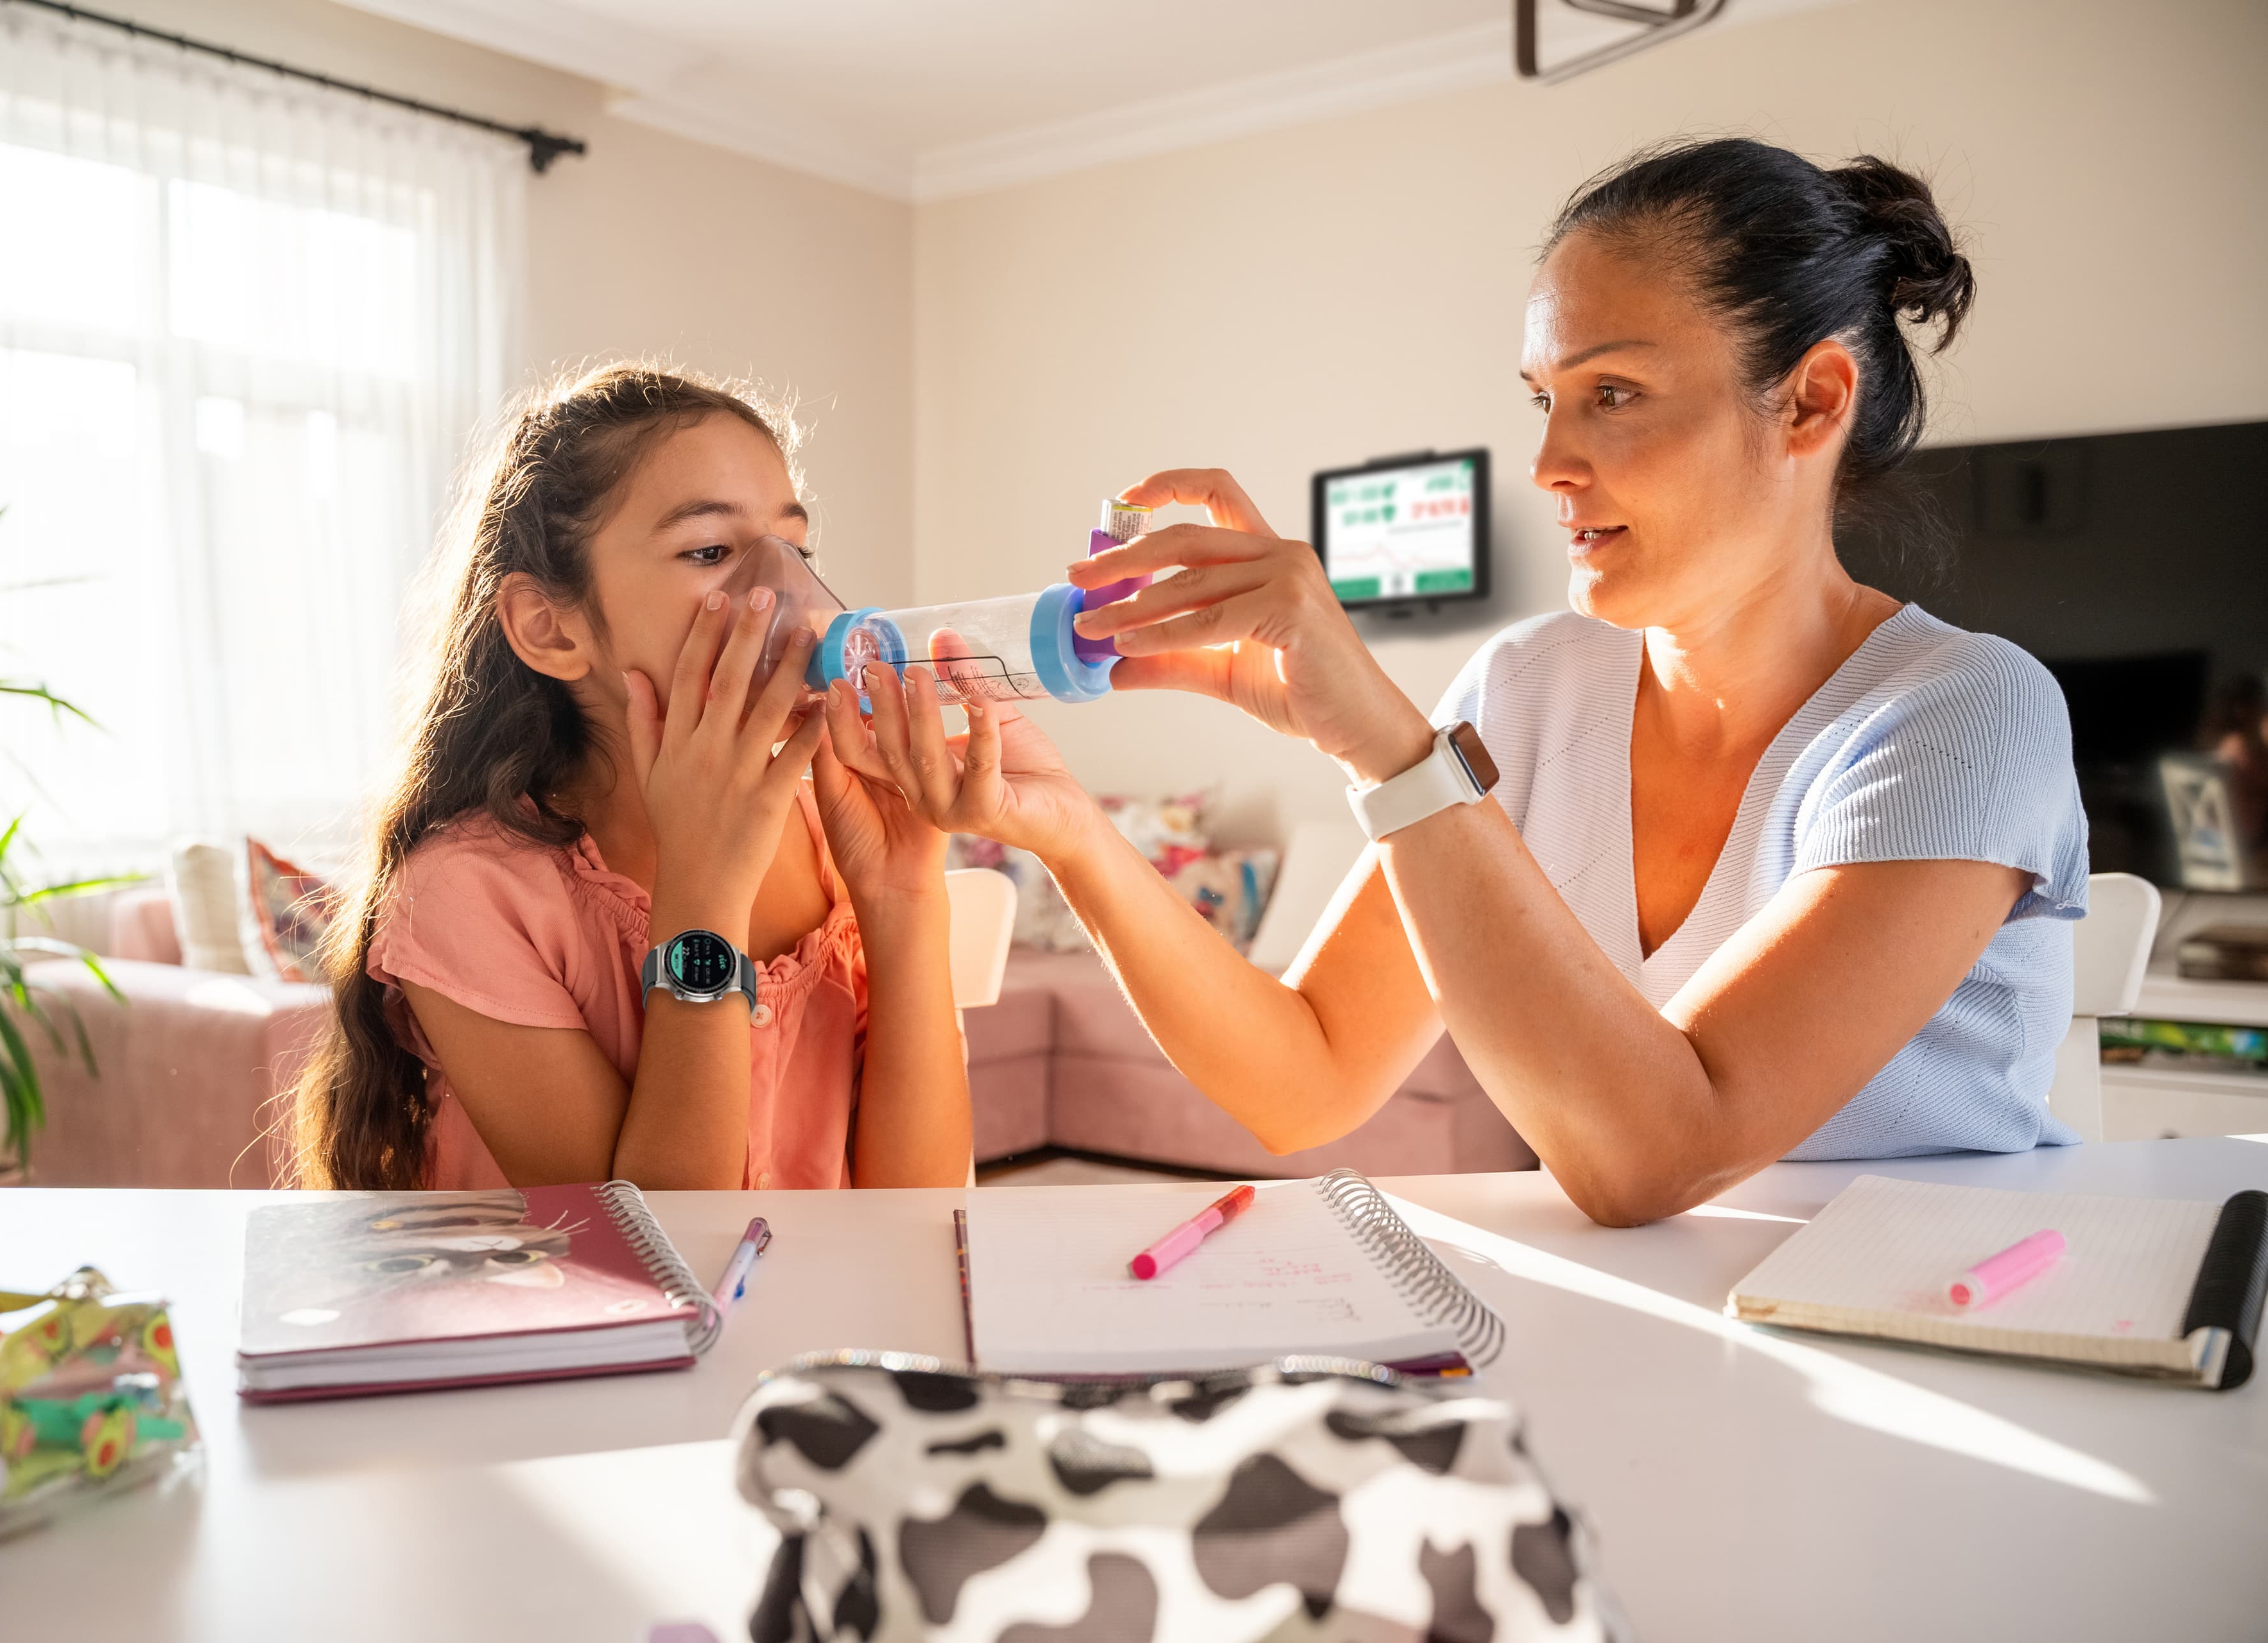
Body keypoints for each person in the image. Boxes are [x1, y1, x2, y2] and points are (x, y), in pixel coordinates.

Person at [842, 137, 2090, 1225]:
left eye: (1613, 393)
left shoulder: (1964, 714)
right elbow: (1307, 1078)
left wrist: (1389, 748)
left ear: (1812, 401)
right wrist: (1064, 828)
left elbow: (1659, 1152)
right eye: (1546, 399)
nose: (1549, 460)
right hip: (1663, 1338)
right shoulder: (1532, 690)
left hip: (1934, 1340)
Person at [291, 363, 972, 1192]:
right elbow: (658, 1252)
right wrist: (706, 893)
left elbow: (916, 1205)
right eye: (711, 551)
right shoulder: (468, 894)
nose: (787, 596)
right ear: (550, 629)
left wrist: (905, 898)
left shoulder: (835, 840)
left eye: (793, 548)